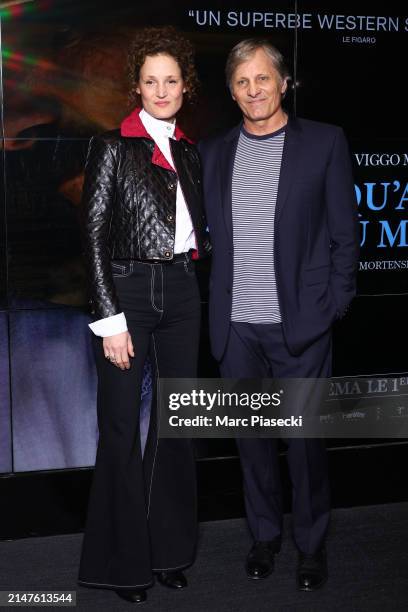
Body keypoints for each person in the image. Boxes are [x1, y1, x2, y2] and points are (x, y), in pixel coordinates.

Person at [198, 39, 359, 591]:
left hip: (300, 329)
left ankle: (310, 547)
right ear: (232, 91)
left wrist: (332, 305)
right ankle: (264, 536)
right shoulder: (215, 152)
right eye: (242, 82)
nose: (254, 91)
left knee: (306, 449)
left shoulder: (324, 143)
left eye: (263, 79)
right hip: (236, 330)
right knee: (252, 443)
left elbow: (345, 234)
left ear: (284, 82)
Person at [77, 26, 210, 604]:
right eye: (151, 81)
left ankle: (170, 553)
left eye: (171, 80)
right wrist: (109, 319)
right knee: (121, 431)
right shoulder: (111, 146)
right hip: (127, 294)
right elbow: (93, 234)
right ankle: (123, 565)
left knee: (178, 426)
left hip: (183, 292)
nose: (161, 90)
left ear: (186, 87)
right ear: (137, 87)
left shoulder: (190, 150)